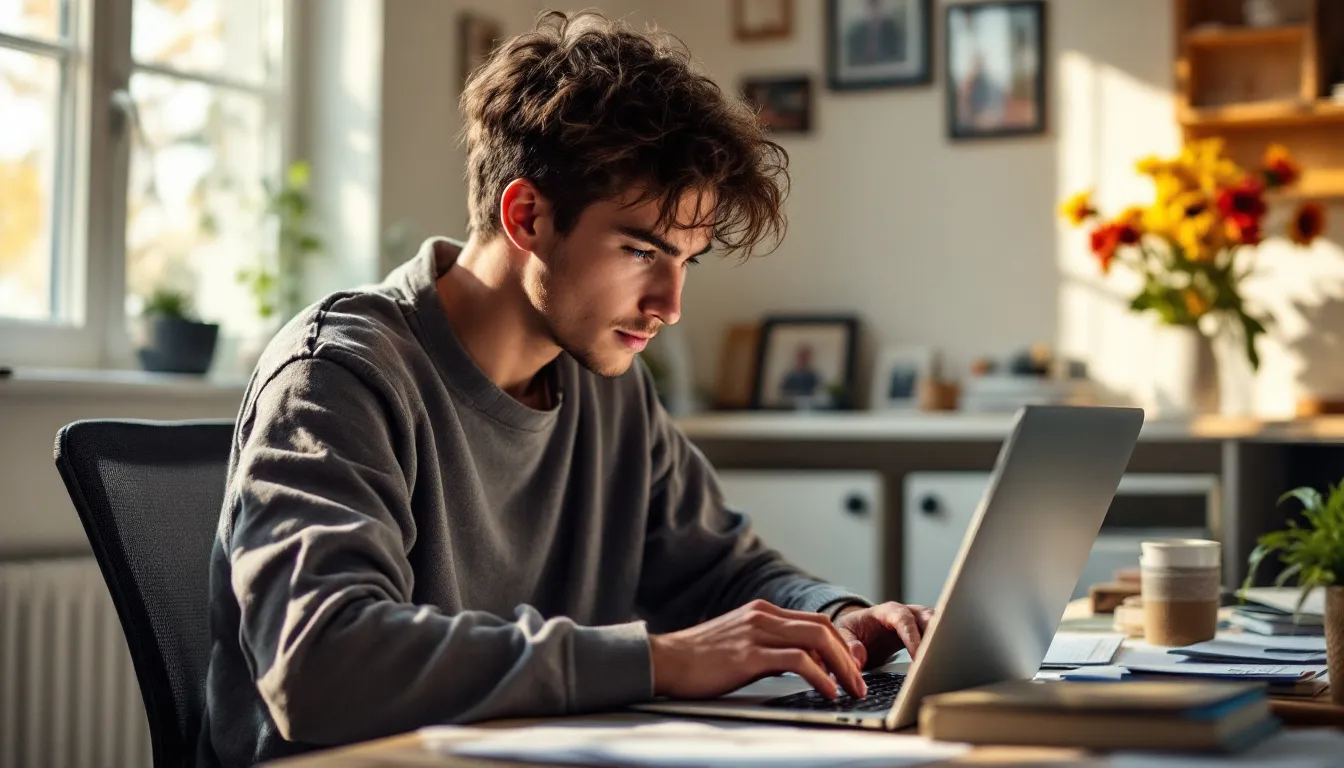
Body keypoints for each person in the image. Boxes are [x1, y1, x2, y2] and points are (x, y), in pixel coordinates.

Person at [199, 11, 934, 767]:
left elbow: (722, 569)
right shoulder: (338, 375)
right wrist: (659, 659)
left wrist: (841, 617)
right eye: (639, 250)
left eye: (687, 260)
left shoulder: (606, 382)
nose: (669, 306)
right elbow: (321, 661)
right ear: (526, 216)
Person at [846, 0, 905, 68]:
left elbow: (898, 57)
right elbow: (852, 60)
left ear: (882, 7)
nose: (873, 10)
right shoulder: (856, 33)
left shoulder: (893, 30)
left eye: (876, 5)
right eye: (871, 6)